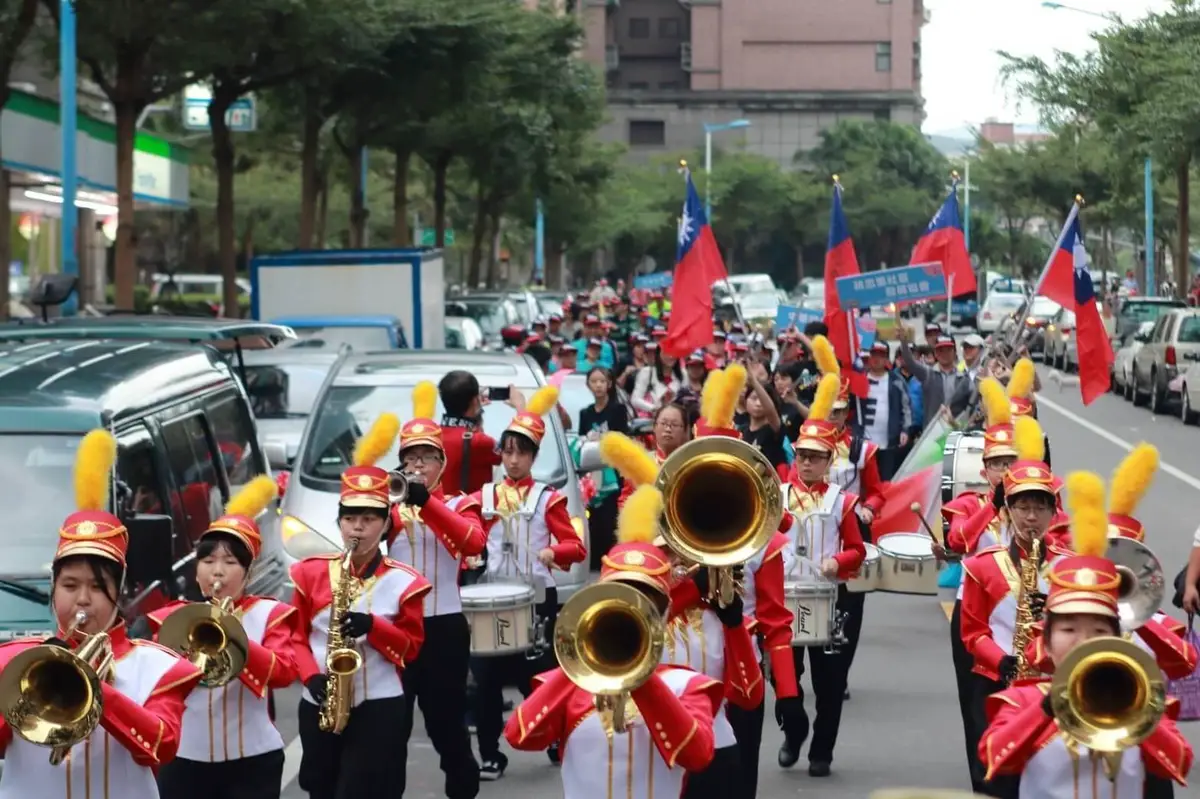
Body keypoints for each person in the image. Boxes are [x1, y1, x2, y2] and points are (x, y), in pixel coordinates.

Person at [0, 430, 203, 799]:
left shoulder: (156, 666)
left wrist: (95, 691)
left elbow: (161, 746)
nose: (82, 600)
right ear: (53, 588)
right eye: (70, 585)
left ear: (119, 592)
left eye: (97, 587)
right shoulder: (13, 661)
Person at [978, 470, 1193, 797]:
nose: (1082, 638)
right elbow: (993, 756)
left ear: (1115, 635)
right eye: (1068, 628)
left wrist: (1140, 714)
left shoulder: (1139, 698)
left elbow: (1177, 764)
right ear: (1047, 639)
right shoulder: (1024, 699)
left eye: (1097, 629)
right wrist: (1047, 707)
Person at [502, 487, 721, 798]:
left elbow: (697, 755)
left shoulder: (687, 686)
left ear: (665, 612)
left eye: (647, 604)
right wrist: (578, 658)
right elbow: (519, 735)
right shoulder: (571, 685)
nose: (632, 612)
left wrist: (639, 668)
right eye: (618, 598)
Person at [291, 413, 431, 799]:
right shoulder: (311, 573)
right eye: (350, 518)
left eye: (368, 519)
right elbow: (294, 637)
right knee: (319, 786)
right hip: (320, 698)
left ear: (386, 525)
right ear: (339, 523)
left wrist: (374, 626)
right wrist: (310, 677)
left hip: (379, 702)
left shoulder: (405, 582)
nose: (357, 528)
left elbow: (411, 648)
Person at [468, 386, 588, 779]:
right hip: (492, 599)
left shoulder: (547, 498)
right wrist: (469, 556)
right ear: (500, 454)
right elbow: (465, 537)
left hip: (537, 599)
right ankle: (489, 753)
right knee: (483, 681)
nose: (514, 460)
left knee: (535, 679)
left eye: (522, 452)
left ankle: (552, 735)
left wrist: (556, 553)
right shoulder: (484, 496)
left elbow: (576, 547)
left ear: (534, 457)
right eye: (508, 451)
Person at [151, 476, 297, 799]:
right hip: (186, 758)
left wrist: (233, 634)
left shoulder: (268, 614)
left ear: (248, 572)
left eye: (230, 562)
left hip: (253, 759)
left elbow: (284, 672)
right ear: (196, 571)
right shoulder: (173, 617)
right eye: (208, 561)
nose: (217, 571)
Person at [959, 415, 1070, 799]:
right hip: (995, 680)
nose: (1031, 517)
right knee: (996, 771)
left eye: (1040, 508)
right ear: (1008, 510)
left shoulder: (1068, 567)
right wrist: (1000, 659)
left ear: (1053, 513)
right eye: (1023, 507)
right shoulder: (982, 565)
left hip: (1049, 683)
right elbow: (972, 632)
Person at [386, 382, 485, 799]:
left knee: (447, 727)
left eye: (427, 457)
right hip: (393, 628)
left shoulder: (461, 504)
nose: (419, 465)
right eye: (411, 458)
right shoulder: (386, 507)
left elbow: (473, 543)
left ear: (441, 461)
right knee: (390, 729)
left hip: (443, 626)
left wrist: (427, 502)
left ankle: (462, 789)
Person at [776, 372, 866, 777]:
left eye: (815, 456)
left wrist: (838, 563)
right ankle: (793, 731)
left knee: (828, 683)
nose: (807, 463)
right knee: (784, 681)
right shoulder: (776, 497)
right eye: (802, 455)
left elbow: (858, 552)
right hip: (782, 602)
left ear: (830, 461)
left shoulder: (841, 501)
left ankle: (821, 752)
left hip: (827, 599)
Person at [941, 377, 1019, 794]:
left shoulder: (1034, 505)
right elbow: (958, 541)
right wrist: (993, 504)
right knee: (975, 696)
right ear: (984, 469)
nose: (1004, 471)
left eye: (1011, 463)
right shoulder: (971, 503)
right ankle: (982, 771)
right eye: (997, 464)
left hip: (1022, 613)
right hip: (974, 614)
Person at [437, 370, 526, 496]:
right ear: (474, 401)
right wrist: (521, 409)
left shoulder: (432, 435)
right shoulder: (480, 442)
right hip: (469, 513)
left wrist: (475, 409)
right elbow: (516, 450)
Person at [860, 341, 912, 480]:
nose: (877, 359)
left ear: (887, 359)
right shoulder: (859, 379)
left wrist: (905, 430)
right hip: (863, 444)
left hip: (888, 443)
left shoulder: (896, 381)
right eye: (874, 354)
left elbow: (906, 407)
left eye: (881, 355)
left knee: (885, 481)